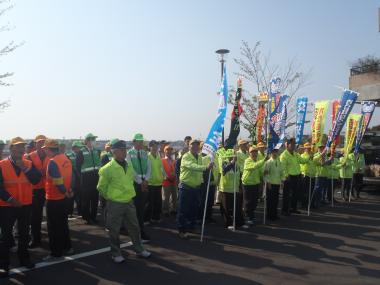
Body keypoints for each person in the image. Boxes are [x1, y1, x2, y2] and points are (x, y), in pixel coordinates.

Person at [97, 139, 151, 263]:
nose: (124, 152)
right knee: (114, 229)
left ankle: (139, 249)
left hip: (129, 201)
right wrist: (110, 197)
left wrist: (142, 183)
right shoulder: (107, 169)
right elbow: (101, 187)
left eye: (125, 149)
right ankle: (116, 253)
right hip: (115, 203)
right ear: (114, 152)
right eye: (121, 150)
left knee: (134, 227)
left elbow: (134, 177)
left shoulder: (129, 165)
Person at [0, 137, 42, 278]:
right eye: (18, 147)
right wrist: (11, 199)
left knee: (24, 234)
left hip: (25, 205)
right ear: (11, 148)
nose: (21, 149)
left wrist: (25, 168)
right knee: (6, 236)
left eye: (22, 147)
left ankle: (24, 259)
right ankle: (3, 265)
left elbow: (36, 179)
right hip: (7, 206)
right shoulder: (2, 165)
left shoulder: (28, 163)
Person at [43, 139, 74, 260]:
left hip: (54, 198)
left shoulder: (52, 162)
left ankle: (56, 253)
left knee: (53, 227)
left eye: (45, 149)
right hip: (64, 198)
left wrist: (64, 191)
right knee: (63, 224)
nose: (45, 151)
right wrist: (69, 190)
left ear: (49, 150)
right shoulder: (66, 158)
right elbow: (71, 176)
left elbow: (57, 180)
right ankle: (68, 247)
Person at [177, 139, 212, 238]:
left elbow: (200, 168)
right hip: (186, 187)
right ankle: (182, 230)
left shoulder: (200, 157)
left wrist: (210, 164)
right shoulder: (186, 156)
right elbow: (192, 166)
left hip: (196, 187)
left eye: (197, 145)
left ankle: (191, 227)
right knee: (183, 210)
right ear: (189, 146)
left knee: (194, 209)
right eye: (193, 145)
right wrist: (205, 167)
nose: (195, 146)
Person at [127, 133, 151, 241]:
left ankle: (139, 230)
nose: (141, 143)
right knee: (136, 209)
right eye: (139, 141)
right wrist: (140, 181)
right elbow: (131, 169)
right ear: (134, 141)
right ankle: (137, 231)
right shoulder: (129, 153)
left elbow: (149, 167)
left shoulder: (145, 153)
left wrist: (146, 180)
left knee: (141, 209)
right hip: (135, 184)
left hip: (144, 183)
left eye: (142, 141)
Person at [26, 135, 49, 248]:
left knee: (51, 215)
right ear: (35, 144)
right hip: (34, 190)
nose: (41, 145)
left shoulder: (50, 156)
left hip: (48, 189)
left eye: (43, 143)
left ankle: (54, 237)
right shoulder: (29, 156)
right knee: (35, 216)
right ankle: (36, 239)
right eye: (39, 143)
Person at [279, 138, 310, 215]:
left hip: (297, 176)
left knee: (295, 194)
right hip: (289, 177)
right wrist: (286, 176)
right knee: (287, 195)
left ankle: (293, 208)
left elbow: (303, 161)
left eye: (294, 144)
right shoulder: (284, 155)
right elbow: (283, 167)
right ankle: (285, 210)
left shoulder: (296, 154)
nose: (293, 146)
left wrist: (308, 154)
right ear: (287, 145)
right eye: (292, 144)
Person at [219, 149, 247, 230]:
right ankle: (228, 223)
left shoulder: (237, 165)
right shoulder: (224, 163)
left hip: (235, 189)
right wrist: (232, 163)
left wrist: (240, 187)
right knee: (227, 208)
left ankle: (240, 223)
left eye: (235, 156)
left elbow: (239, 175)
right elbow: (224, 171)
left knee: (238, 207)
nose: (235, 157)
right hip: (226, 189)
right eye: (233, 156)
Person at [76, 133, 101, 224]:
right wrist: (81, 178)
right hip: (86, 179)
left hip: (96, 178)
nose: (93, 141)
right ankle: (86, 218)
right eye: (91, 139)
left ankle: (93, 217)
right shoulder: (81, 152)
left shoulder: (97, 151)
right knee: (86, 200)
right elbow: (78, 167)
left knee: (95, 199)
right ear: (86, 141)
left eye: (94, 139)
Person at [242, 146, 267, 225]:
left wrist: (264, 173)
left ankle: (251, 215)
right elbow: (254, 166)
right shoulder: (247, 161)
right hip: (247, 184)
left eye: (255, 152)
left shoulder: (257, 161)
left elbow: (259, 171)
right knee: (248, 201)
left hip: (255, 183)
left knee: (254, 201)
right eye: (252, 152)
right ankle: (248, 217)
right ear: (249, 153)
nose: (254, 153)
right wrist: (264, 160)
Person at [199, 143, 220, 224]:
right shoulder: (201, 157)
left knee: (210, 201)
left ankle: (208, 216)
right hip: (204, 183)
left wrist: (217, 179)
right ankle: (201, 217)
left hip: (212, 183)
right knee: (203, 201)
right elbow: (202, 171)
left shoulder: (215, 157)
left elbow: (217, 169)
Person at [145, 140, 165, 223]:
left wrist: (164, 176)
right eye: (153, 146)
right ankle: (146, 219)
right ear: (149, 147)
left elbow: (161, 168)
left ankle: (156, 217)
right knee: (149, 203)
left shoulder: (158, 157)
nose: (155, 148)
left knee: (158, 202)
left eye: (156, 146)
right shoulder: (147, 157)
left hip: (158, 183)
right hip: (150, 183)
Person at [263, 148, 284, 221]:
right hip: (271, 184)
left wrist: (282, 181)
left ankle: (274, 214)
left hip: (277, 183)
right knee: (270, 200)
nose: (275, 153)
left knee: (275, 200)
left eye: (276, 152)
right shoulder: (268, 162)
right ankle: (269, 215)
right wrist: (268, 182)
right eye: (273, 152)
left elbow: (281, 172)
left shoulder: (279, 162)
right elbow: (266, 173)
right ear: (271, 153)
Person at [66, 141, 83, 216]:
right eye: (78, 147)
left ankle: (80, 211)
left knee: (79, 195)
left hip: (79, 176)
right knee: (71, 196)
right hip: (72, 177)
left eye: (80, 147)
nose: (79, 149)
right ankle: (70, 212)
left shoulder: (81, 155)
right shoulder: (68, 155)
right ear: (74, 148)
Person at [162, 145, 177, 217]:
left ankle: (174, 209)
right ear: (164, 151)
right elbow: (162, 170)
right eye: (167, 150)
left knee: (174, 196)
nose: (169, 151)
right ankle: (166, 210)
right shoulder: (162, 160)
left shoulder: (174, 161)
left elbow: (176, 170)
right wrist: (167, 177)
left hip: (174, 181)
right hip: (166, 181)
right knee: (166, 197)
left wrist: (175, 177)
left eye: (170, 150)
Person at [313, 144, 330, 208]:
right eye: (320, 148)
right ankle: (316, 203)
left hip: (325, 174)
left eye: (323, 147)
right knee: (318, 190)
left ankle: (321, 201)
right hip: (319, 174)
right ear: (318, 148)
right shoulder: (316, 155)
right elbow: (322, 164)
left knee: (324, 189)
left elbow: (329, 163)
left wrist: (330, 159)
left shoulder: (325, 155)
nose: (321, 149)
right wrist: (322, 156)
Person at [300, 142, 316, 208]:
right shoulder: (303, 155)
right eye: (307, 148)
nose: (309, 149)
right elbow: (303, 162)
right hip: (305, 175)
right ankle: (304, 204)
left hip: (312, 175)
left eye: (309, 148)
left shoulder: (312, 155)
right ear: (305, 149)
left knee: (312, 190)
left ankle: (311, 204)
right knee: (305, 191)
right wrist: (309, 157)